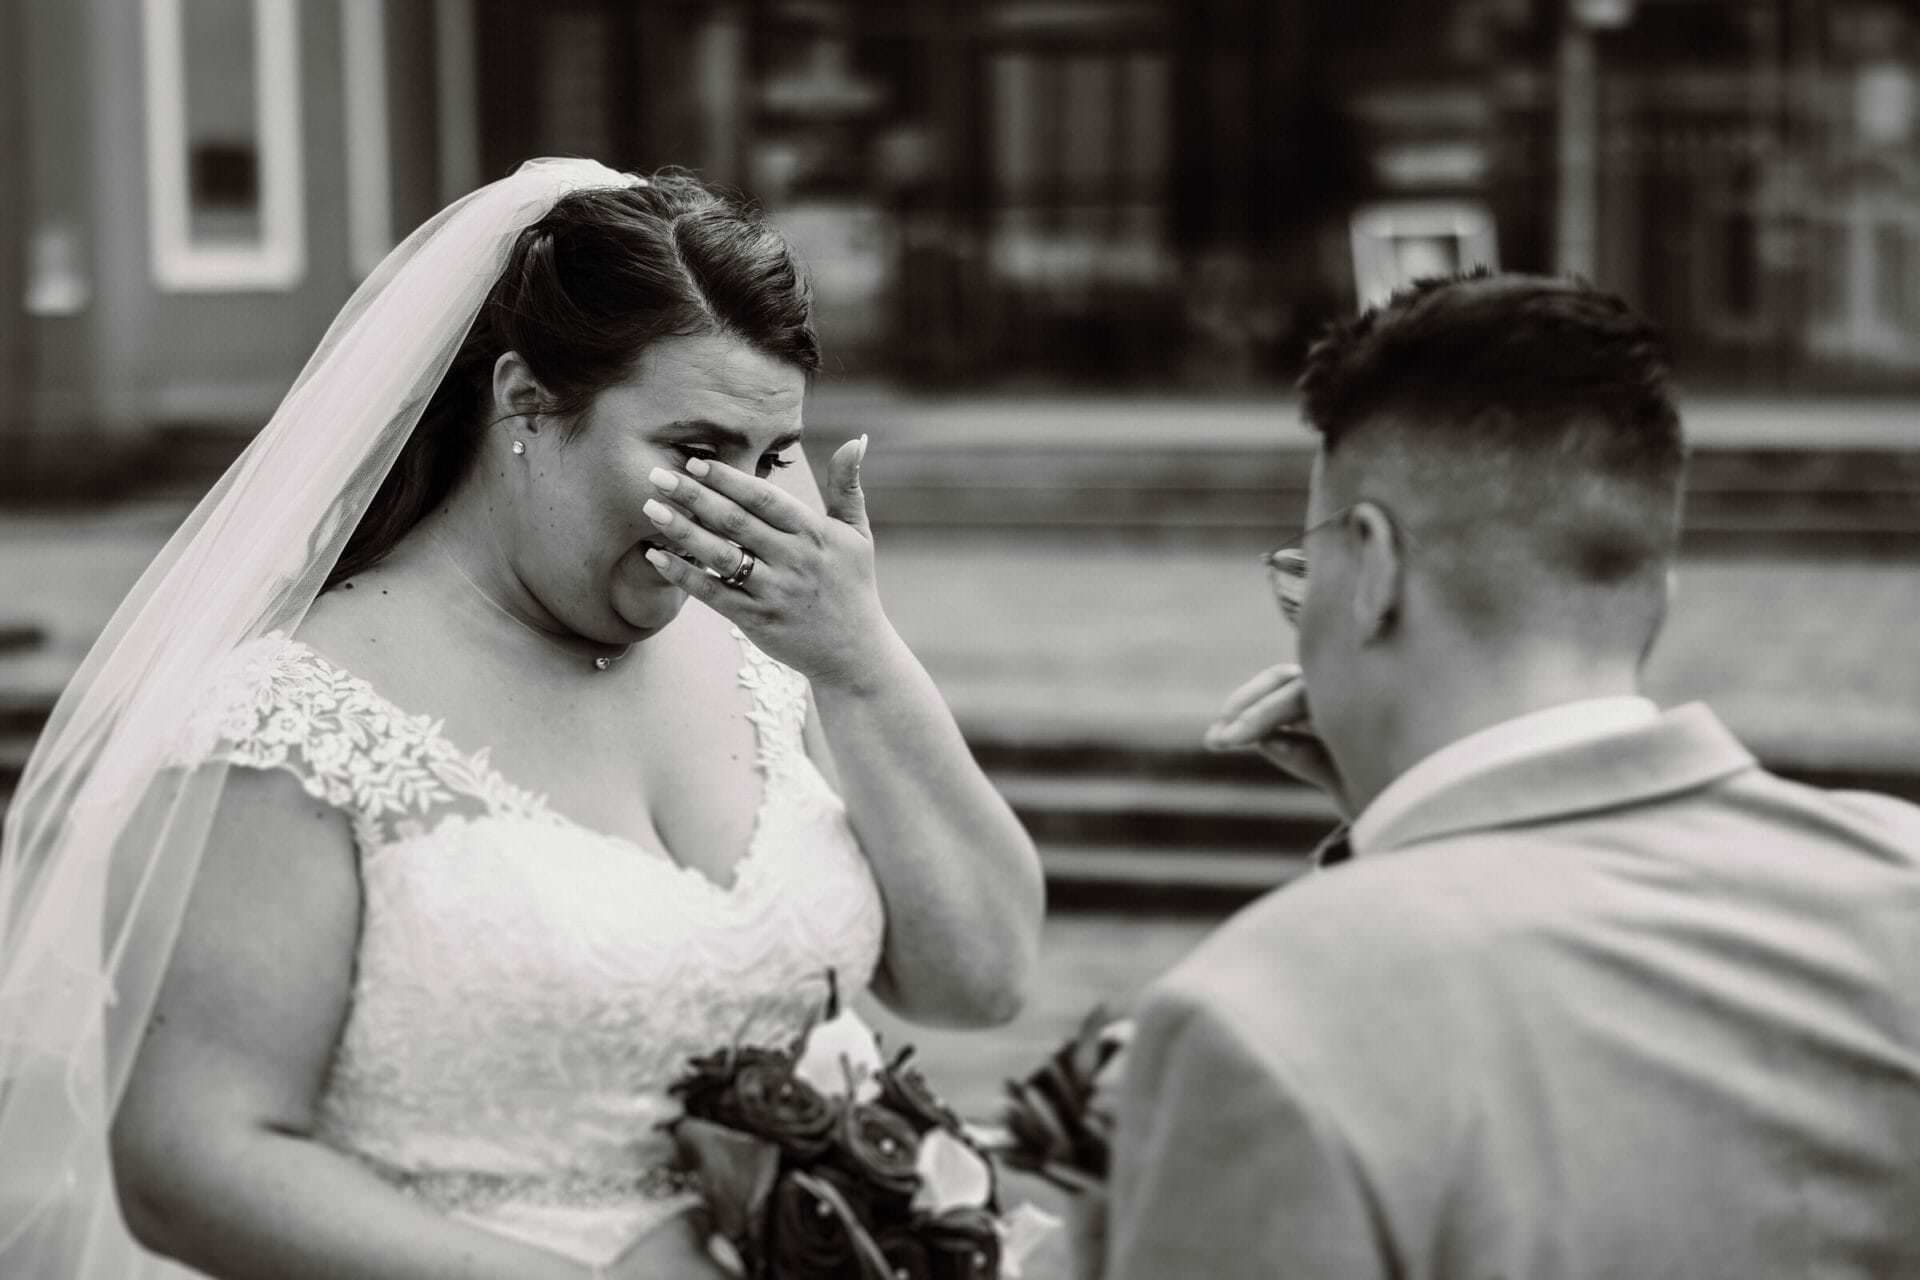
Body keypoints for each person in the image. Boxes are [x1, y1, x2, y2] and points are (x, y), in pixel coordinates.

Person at [0, 160, 1044, 1279]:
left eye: (771, 456)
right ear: (526, 401)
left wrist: (864, 663)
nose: (739, 513)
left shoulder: (771, 658)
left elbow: (976, 982)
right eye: (696, 452)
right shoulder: (289, 720)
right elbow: (189, 1162)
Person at [1095, 272, 1920, 1278]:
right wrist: (1404, 826)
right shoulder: (1899, 886)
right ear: (1655, 589)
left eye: (1303, 570)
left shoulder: (1263, 1017)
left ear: (1374, 568)